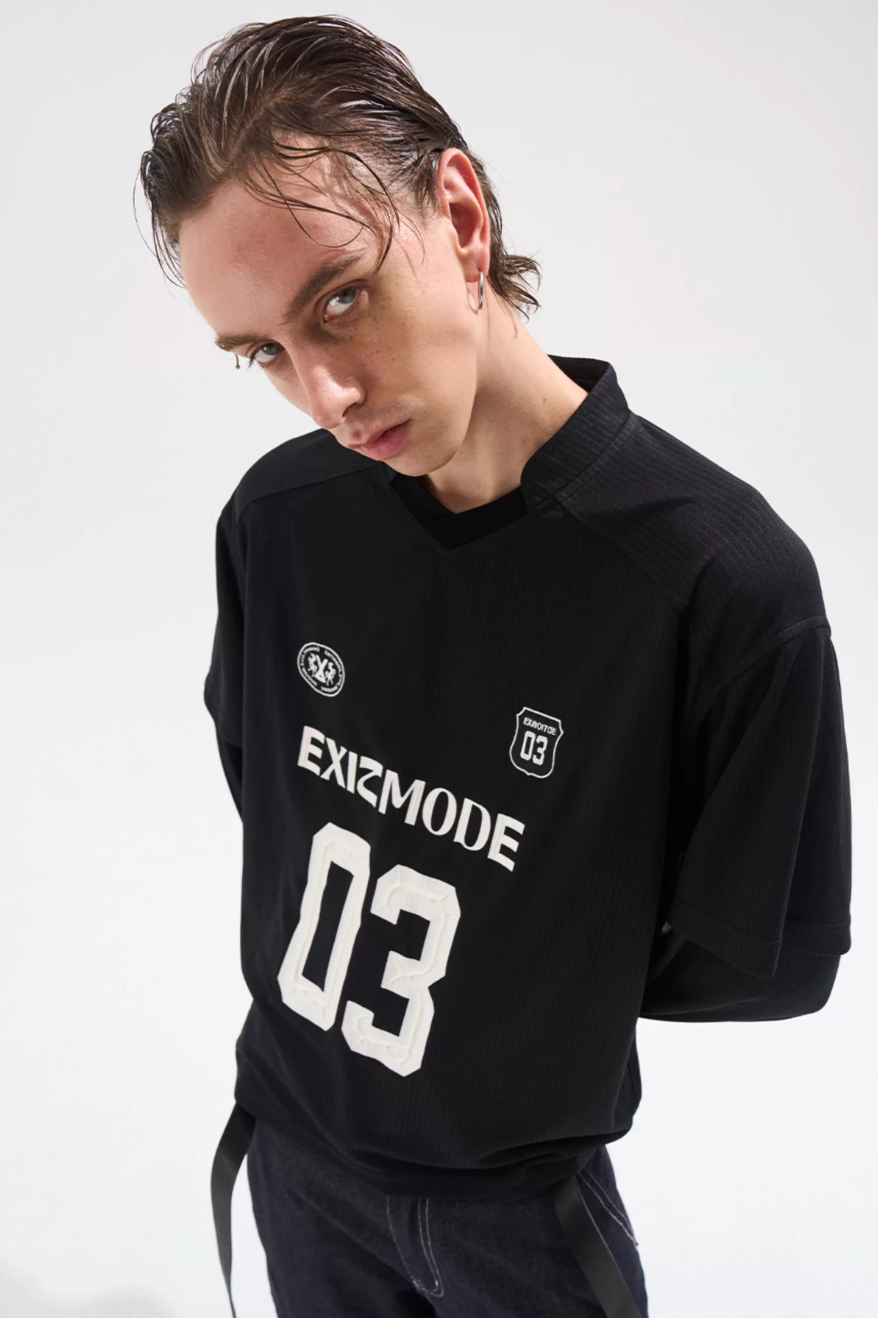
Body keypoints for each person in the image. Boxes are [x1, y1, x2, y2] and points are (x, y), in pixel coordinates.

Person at [137, 16, 853, 1318]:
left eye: (340, 298)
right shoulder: (278, 520)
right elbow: (270, 794)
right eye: (264, 354)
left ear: (460, 218)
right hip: (294, 1155)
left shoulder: (719, 578)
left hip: (516, 1212)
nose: (327, 394)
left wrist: (535, 966)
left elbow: (766, 956)